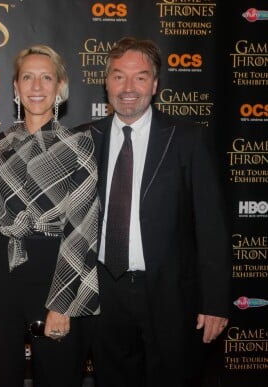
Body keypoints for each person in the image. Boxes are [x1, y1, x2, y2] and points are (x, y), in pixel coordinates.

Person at [86, 37, 231, 387]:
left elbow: (210, 225)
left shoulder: (186, 139)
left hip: (170, 295)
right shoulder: (85, 139)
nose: (128, 87)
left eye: (140, 77)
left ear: (154, 84)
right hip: (104, 292)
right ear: (106, 83)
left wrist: (215, 302)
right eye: (119, 76)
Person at [0, 44, 100, 387]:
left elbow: (83, 230)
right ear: (15, 88)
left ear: (60, 86)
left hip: (52, 266)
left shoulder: (79, 144)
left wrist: (63, 302)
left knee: (58, 375)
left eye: (46, 77)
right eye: (27, 77)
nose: (36, 86)